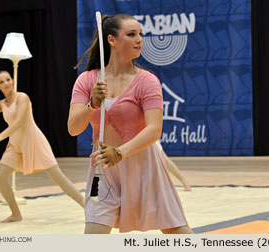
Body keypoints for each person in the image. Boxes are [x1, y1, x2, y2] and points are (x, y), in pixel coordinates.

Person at [68, 14, 193, 234]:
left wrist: (120, 152)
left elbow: (154, 130)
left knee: (180, 237)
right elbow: (73, 128)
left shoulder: (147, 80)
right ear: (111, 40)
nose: (139, 40)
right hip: (103, 171)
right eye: (131, 34)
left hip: (144, 168)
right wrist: (92, 105)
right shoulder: (87, 80)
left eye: (140, 35)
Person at [0, 71, 84, 223]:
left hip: (34, 143)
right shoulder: (3, 104)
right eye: (2, 82)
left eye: (8, 79)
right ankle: (16, 214)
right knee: (0, 178)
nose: (6, 83)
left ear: (13, 80)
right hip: (15, 146)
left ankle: (87, 207)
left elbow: (20, 122)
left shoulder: (22, 97)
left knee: (60, 179)